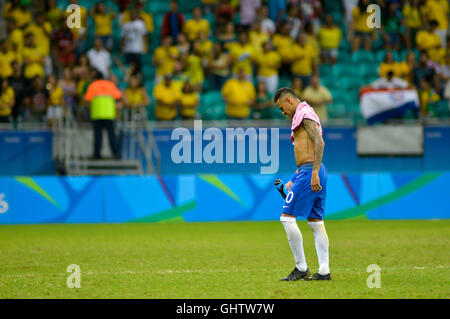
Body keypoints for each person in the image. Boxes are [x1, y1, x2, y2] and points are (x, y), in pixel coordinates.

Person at [273, 87, 330, 281]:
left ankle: (301, 267)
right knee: (316, 222)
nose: (283, 112)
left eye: (282, 108)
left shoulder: (304, 113)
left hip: (310, 171)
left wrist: (313, 173)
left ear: (289, 100)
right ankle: (324, 271)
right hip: (308, 171)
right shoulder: (303, 114)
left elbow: (319, 143)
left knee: (286, 218)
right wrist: (294, 178)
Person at [84, 71, 122, 159]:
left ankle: (97, 155)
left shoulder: (92, 85)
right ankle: (116, 154)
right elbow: (118, 96)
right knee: (111, 135)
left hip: (97, 114)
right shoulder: (110, 85)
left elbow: (86, 99)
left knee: (98, 136)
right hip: (109, 114)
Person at [121, 8, 148, 74]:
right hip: (128, 49)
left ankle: (139, 82)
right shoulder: (126, 25)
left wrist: (146, 47)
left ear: (136, 14)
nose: (133, 14)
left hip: (137, 49)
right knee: (128, 69)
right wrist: (122, 48)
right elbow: (123, 38)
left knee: (138, 68)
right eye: (131, 13)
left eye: (134, 13)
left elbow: (144, 36)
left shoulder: (141, 23)